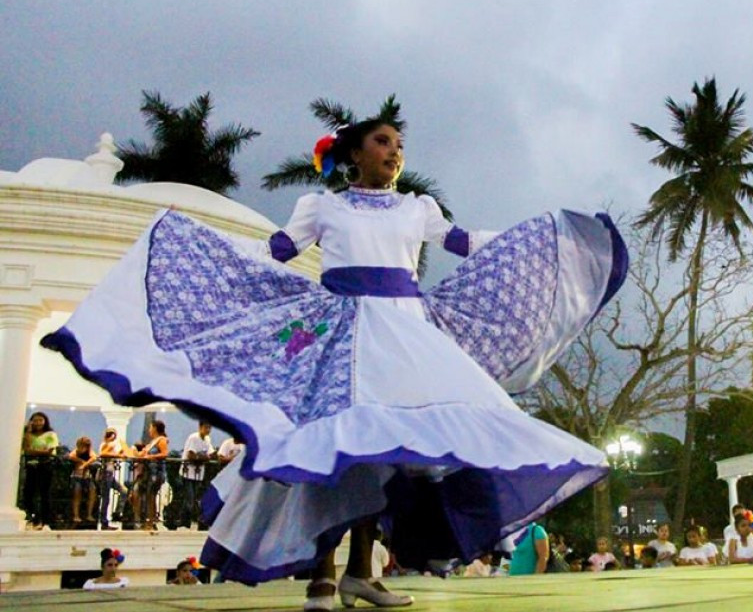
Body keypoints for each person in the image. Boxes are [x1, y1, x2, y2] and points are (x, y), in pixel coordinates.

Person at [41, 100, 626, 610]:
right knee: (336, 451)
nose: (394, 153)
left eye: (398, 145)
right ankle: (324, 577)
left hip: (407, 336)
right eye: (383, 142)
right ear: (353, 154)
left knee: (384, 454)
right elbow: (275, 251)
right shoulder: (323, 206)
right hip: (341, 335)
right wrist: (203, 250)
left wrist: (544, 239)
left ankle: (359, 574)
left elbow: (464, 242)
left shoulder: (417, 207)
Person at [22, 412, 59, 530]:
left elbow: (49, 451)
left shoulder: (50, 434)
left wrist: (33, 451)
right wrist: (28, 431)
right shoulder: (28, 435)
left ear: (45, 421)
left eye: (40, 420)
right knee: (28, 493)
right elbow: (26, 449)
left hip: (46, 466)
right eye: (35, 420)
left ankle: (45, 522)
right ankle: (33, 518)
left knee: (44, 494)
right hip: (31, 466)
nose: (38, 423)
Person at [179, 421, 214, 529]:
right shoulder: (193, 438)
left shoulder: (207, 439)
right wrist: (202, 457)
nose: (208, 430)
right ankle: (185, 522)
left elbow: (210, 453)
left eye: (209, 428)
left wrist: (203, 457)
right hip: (188, 472)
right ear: (200, 427)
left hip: (199, 473)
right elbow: (191, 455)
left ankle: (193, 520)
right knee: (189, 498)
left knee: (195, 498)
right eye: (206, 427)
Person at [137, 420, 169, 530]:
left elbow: (164, 453)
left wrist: (151, 457)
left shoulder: (161, 440)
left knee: (151, 496)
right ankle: (149, 520)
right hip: (149, 472)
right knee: (149, 496)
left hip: (156, 472)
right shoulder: (153, 442)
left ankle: (151, 521)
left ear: (155, 428)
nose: (149, 430)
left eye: (151, 427)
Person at [97, 428, 130, 530]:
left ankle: (117, 512)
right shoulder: (105, 444)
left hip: (110, 474)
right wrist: (118, 454)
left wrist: (122, 451)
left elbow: (113, 455)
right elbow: (103, 454)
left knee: (124, 491)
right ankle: (104, 522)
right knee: (106, 498)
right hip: (105, 473)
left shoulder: (110, 446)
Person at [67, 436, 98, 526]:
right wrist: (81, 460)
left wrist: (85, 464)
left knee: (92, 492)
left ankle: (89, 514)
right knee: (77, 494)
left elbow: (94, 457)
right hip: (77, 475)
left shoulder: (90, 451)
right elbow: (71, 456)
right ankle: (76, 515)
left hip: (87, 476)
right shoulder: (76, 451)